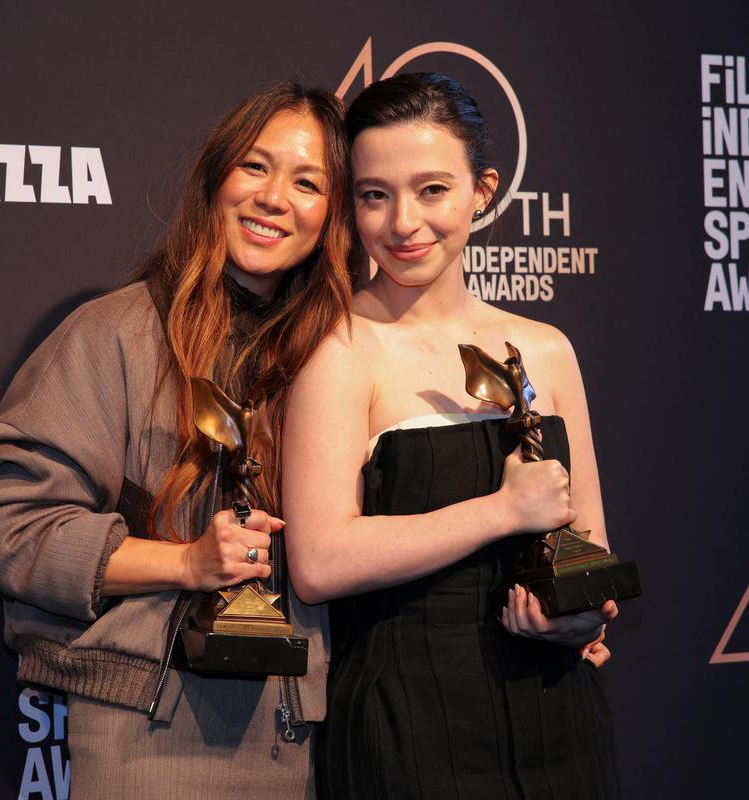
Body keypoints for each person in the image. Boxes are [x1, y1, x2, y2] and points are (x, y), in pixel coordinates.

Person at [0, 82, 359, 799]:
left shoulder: (340, 354)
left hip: (306, 736)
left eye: (307, 182)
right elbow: (17, 529)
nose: (274, 198)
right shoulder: (116, 334)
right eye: (255, 167)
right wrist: (187, 562)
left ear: (332, 214)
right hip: (149, 738)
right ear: (215, 178)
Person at [282, 73, 621, 798]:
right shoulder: (337, 352)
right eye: (375, 195)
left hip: (559, 717)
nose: (403, 222)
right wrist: (500, 512)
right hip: (407, 730)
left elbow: (588, 543)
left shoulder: (548, 348)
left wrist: (578, 615)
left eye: (432, 190)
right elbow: (318, 561)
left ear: (483, 189)